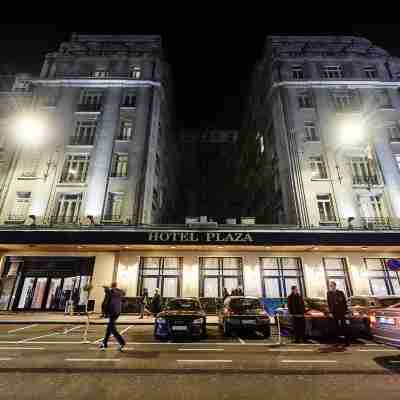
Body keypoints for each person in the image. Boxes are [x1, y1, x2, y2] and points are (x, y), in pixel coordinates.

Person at [100, 282, 126, 351]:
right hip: (117, 311)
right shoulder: (119, 292)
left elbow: (107, 298)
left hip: (112, 311)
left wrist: (106, 289)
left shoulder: (111, 292)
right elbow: (123, 299)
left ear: (112, 286)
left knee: (112, 328)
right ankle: (104, 343)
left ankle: (122, 342)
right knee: (109, 328)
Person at [327, 281, 350, 347]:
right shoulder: (329, 293)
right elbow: (329, 303)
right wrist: (330, 312)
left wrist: (346, 312)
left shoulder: (340, 292)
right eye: (330, 286)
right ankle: (337, 342)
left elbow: (344, 303)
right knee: (335, 327)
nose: (331, 287)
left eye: (331, 285)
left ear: (335, 286)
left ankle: (346, 341)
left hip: (341, 312)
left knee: (344, 326)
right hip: (334, 313)